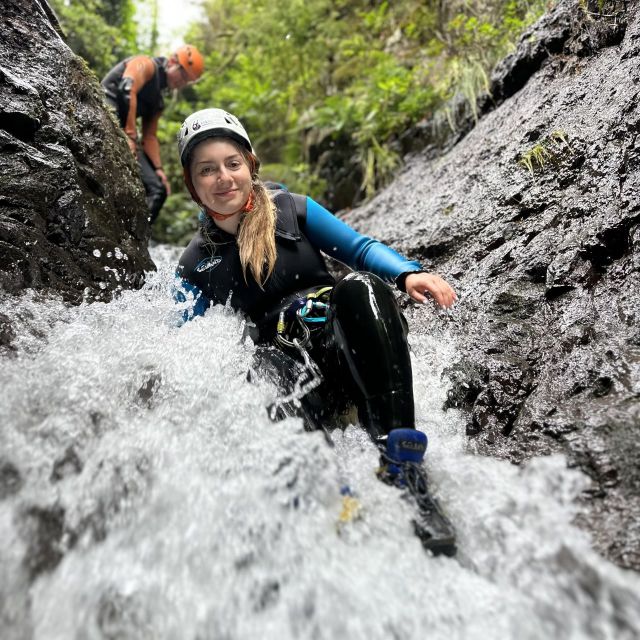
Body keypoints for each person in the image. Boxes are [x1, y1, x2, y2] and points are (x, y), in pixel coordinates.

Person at [174, 109, 458, 553]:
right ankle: (331, 492)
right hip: (290, 382)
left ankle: (401, 463)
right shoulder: (195, 264)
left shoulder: (293, 209)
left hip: (345, 351)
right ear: (192, 185)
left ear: (251, 164)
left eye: (232, 163)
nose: (223, 177)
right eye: (207, 170)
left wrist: (406, 275)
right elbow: (185, 346)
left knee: (360, 286)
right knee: (254, 361)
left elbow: (359, 249)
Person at [102, 45, 205, 223]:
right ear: (173, 61)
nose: (182, 83)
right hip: (103, 112)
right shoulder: (146, 64)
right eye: (183, 75)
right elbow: (126, 89)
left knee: (158, 190)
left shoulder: (158, 102)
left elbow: (150, 137)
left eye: (187, 81)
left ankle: (138, 239)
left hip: (124, 132)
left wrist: (158, 169)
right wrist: (130, 135)